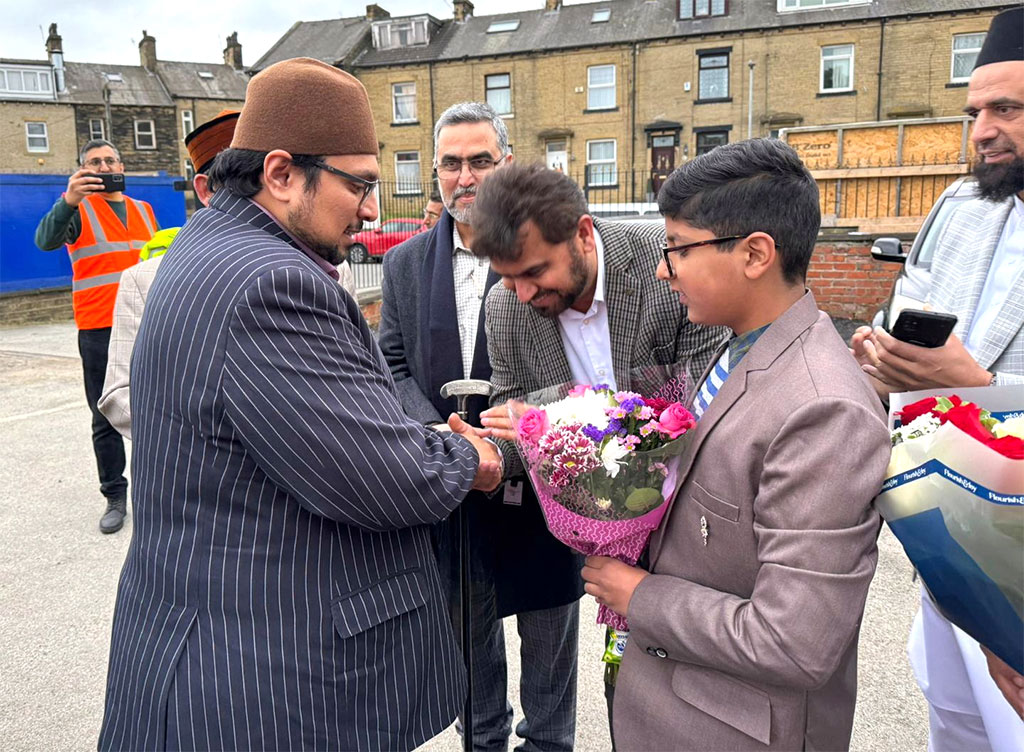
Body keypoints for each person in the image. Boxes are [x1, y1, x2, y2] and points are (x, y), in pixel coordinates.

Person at [97, 57, 502, 752]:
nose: (372, 209)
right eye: (360, 185)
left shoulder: (203, 247)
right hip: (263, 691)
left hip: (201, 652)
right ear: (281, 174)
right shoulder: (272, 285)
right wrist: (481, 454)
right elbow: (385, 477)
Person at [576, 139, 890, 751]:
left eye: (679, 250)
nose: (664, 271)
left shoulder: (823, 410)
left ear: (755, 254)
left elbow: (792, 641)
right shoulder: (743, 343)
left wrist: (640, 596)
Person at [469, 162, 726, 745]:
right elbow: (521, 428)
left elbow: (713, 404)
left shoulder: (663, 267)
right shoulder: (506, 307)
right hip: (600, 543)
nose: (525, 293)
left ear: (584, 233)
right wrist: (486, 457)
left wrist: (563, 427)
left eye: (535, 272)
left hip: (694, 524)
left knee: (691, 705)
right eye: (509, 279)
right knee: (628, 697)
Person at [378, 102, 583, 752]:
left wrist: (521, 435)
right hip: (453, 488)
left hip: (544, 489)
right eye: (450, 163)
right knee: (468, 644)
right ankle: (484, 742)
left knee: (551, 641)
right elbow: (391, 365)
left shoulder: (551, 250)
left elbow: (588, 358)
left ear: (507, 165)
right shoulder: (404, 265)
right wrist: (440, 433)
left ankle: (548, 744)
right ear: (434, 171)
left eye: (480, 161)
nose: (464, 177)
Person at [851, 6, 1024, 745]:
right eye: (975, 110)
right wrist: (886, 364)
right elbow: (909, 306)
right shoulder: (960, 203)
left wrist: (976, 390)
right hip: (946, 547)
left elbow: (973, 382)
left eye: (1007, 107)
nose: (981, 130)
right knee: (953, 724)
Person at [34, 139, 158, 534]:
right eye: (94, 163)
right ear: (83, 170)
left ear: (121, 164)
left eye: (109, 160)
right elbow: (45, 240)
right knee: (106, 413)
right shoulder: (77, 210)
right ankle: (115, 495)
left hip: (146, 323)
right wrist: (68, 200)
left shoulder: (144, 210)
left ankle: (157, 492)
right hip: (99, 326)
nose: (104, 167)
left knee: (159, 410)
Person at [97, 110, 240, 440]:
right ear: (206, 190)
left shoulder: (327, 269)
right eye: (240, 182)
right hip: (94, 318)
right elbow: (120, 395)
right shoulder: (144, 279)